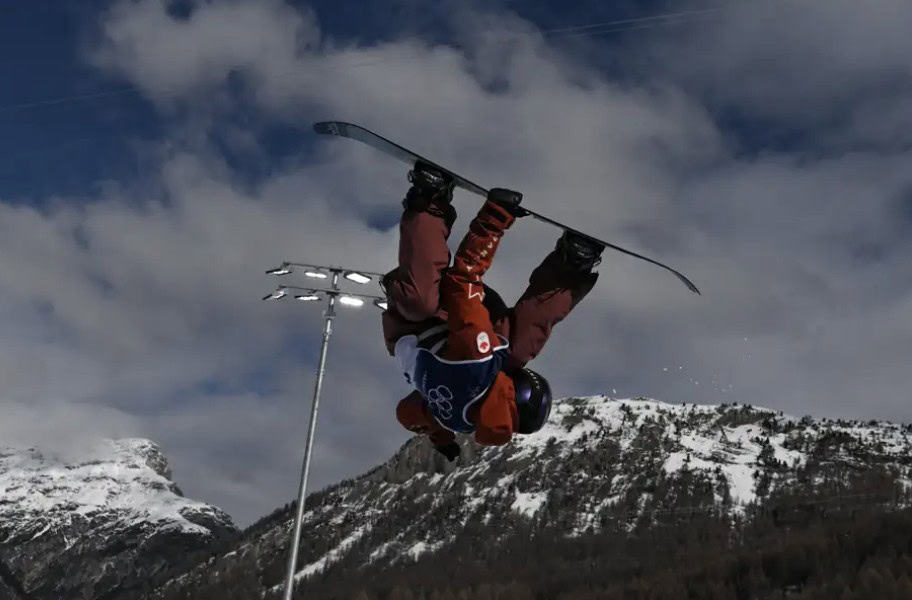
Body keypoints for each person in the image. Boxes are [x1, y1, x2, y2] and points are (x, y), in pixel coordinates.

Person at [381, 162, 603, 461]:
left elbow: (463, 279)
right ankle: (570, 266)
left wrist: (495, 219)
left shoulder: (476, 365)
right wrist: (442, 439)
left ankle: (429, 202)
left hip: (417, 322)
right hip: (468, 323)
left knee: (420, 302)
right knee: (518, 350)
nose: (514, 372)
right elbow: (410, 415)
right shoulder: (468, 416)